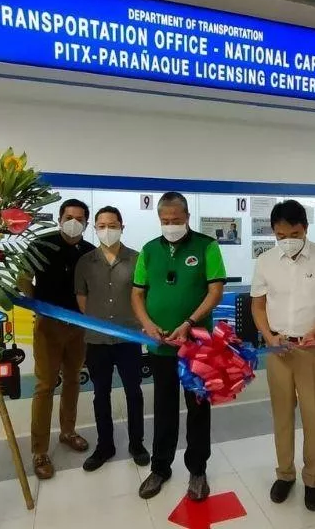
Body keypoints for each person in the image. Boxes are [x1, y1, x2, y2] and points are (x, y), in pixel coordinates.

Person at [250, 200, 315, 512]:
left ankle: (313, 479)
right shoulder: (266, 261)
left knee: (312, 415)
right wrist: (269, 336)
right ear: (273, 232)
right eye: (280, 235)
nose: (287, 240)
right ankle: (285, 474)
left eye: (294, 233)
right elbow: (258, 305)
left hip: (313, 348)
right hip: (278, 349)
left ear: (306, 228)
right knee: (281, 414)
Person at [132, 192, 227, 502]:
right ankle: (160, 467)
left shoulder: (206, 246)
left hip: (197, 345)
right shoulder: (148, 250)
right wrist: (147, 324)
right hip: (161, 345)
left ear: (187, 217)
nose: (170, 225)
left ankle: (197, 470)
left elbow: (215, 292)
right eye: (165, 221)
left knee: (198, 408)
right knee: (164, 407)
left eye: (176, 220)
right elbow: (137, 294)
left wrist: (189, 322)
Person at [20, 198, 95, 479]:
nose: (74, 222)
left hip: (79, 328)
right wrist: (31, 303)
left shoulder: (89, 252)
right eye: (69, 216)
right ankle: (39, 449)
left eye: (80, 218)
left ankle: (68, 431)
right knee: (45, 385)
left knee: (74, 379)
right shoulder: (41, 245)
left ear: (86, 224)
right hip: (48, 326)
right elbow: (24, 277)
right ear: (60, 218)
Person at [74, 206, 150, 472]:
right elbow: (82, 299)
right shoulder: (85, 262)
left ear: (122, 226)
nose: (107, 230)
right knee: (100, 394)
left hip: (128, 339)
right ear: (95, 228)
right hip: (96, 341)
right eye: (102, 226)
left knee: (134, 392)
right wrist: (100, 322)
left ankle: (137, 443)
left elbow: (142, 297)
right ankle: (105, 445)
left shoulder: (138, 259)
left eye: (112, 225)